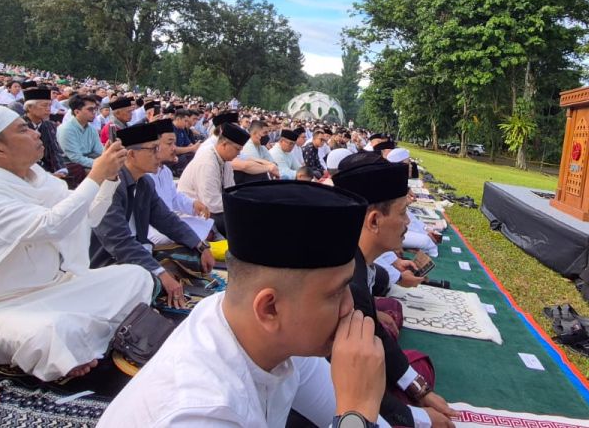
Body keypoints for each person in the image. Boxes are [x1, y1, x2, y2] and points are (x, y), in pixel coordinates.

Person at [98, 180, 388, 427]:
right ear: (269, 308)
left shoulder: (253, 329)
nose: (350, 307)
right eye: (336, 293)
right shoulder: (199, 414)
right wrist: (357, 412)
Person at [0, 107, 152, 381]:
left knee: (136, 276)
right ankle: (80, 341)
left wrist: (107, 179)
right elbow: (51, 225)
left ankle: (82, 341)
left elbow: (86, 215)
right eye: (22, 130)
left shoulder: (36, 177)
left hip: (48, 290)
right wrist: (94, 176)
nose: (36, 134)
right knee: (52, 332)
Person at [333, 156, 456, 428]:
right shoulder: (345, 282)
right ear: (374, 220)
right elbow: (351, 392)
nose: (407, 221)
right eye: (402, 213)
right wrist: (421, 418)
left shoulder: (356, 260)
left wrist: (419, 389)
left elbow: (375, 329)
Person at [89, 120, 215, 308]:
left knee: (193, 256)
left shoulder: (145, 183)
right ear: (131, 154)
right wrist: (160, 273)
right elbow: (118, 242)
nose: (159, 155)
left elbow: (167, 220)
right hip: (109, 261)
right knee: (149, 282)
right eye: (153, 149)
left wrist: (200, 245)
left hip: (140, 251)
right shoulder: (110, 184)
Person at [177, 122, 249, 226]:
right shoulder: (207, 161)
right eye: (237, 149)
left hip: (213, 209)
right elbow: (211, 204)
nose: (239, 153)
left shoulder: (225, 160)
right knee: (241, 222)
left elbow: (231, 190)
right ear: (224, 144)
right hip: (194, 213)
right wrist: (240, 205)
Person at [22, 87, 71, 181]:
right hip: (29, 172)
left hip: (50, 169)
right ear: (29, 107)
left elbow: (54, 150)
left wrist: (60, 170)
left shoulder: (49, 125)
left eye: (50, 105)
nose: (48, 109)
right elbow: (23, 157)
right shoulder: (20, 127)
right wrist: (48, 175)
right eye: (44, 105)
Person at [58, 93, 105, 173]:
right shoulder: (66, 129)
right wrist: (100, 163)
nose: (94, 112)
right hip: (72, 167)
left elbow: (100, 151)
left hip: (89, 162)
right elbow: (75, 158)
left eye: (95, 109)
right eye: (90, 109)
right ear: (77, 112)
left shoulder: (91, 130)